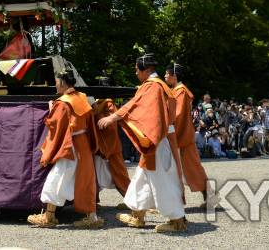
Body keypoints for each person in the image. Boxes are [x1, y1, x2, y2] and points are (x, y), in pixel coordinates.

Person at [97, 53, 187, 233]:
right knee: (141, 179)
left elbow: (135, 107)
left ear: (146, 70)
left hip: (157, 139)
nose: (135, 72)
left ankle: (177, 220)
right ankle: (138, 216)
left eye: (137, 69)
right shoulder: (158, 85)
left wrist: (114, 117)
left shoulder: (152, 87)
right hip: (161, 137)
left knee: (162, 181)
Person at [28, 70, 103, 229]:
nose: (55, 84)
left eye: (56, 81)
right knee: (85, 181)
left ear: (62, 82)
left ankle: (49, 217)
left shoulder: (63, 103)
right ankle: (92, 217)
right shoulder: (81, 97)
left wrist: (51, 110)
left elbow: (56, 125)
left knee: (56, 178)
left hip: (71, 146)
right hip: (83, 144)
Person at [165, 63, 217, 209]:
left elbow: (178, 114)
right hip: (181, 134)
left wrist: (167, 128)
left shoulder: (181, 91)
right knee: (187, 168)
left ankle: (209, 197)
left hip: (182, 135)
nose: (165, 76)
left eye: (167, 74)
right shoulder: (177, 90)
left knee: (192, 168)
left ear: (174, 76)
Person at [90, 80, 130, 197]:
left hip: (109, 146)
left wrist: (97, 114)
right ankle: (93, 202)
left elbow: (111, 127)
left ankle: (131, 201)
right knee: (94, 175)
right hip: (100, 146)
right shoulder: (99, 103)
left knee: (120, 175)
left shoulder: (108, 103)